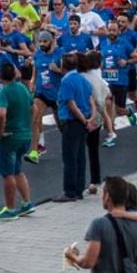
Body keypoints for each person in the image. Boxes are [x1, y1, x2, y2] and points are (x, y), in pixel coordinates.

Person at [0, 63, 36, 220]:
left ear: (0, 76)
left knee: (7, 173)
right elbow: (34, 109)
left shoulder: (4, 92)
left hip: (10, 137)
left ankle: (10, 208)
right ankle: (26, 202)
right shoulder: (22, 88)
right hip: (25, 135)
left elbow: (1, 113)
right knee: (17, 170)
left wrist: (0, 131)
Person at [56, 53, 97, 203]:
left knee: (70, 157)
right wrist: (90, 118)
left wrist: (84, 121)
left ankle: (70, 191)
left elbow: (71, 104)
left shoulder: (67, 81)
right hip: (84, 120)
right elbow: (91, 100)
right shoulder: (83, 79)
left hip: (72, 121)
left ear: (63, 66)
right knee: (80, 156)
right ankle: (79, 189)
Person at [27, 30, 63, 163]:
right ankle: (35, 151)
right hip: (41, 92)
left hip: (57, 94)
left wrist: (58, 70)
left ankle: (71, 145)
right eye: (40, 41)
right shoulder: (38, 54)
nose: (42, 44)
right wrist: (32, 81)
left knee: (61, 125)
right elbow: (35, 70)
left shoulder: (60, 54)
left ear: (51, 41)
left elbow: (68, 73)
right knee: (35, 119)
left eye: (44, 41)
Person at [81, 52, 110, 197]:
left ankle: (79, 181)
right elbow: (104, 97)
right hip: (95, 118)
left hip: (80, 117)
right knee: (93, 150)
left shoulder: (81, 77)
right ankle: (95, 180)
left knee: (78, 150)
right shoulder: (97, 79)